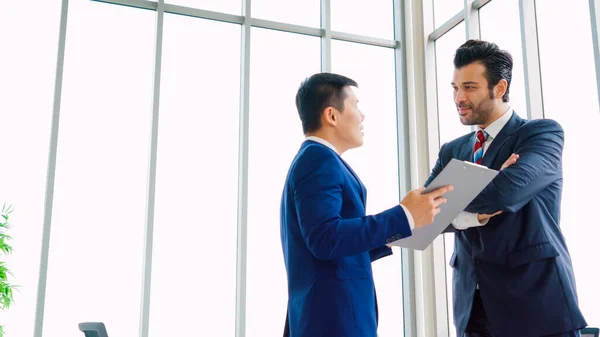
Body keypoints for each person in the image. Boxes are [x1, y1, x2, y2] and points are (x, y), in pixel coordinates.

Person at [426, 39, 587, 337]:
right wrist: (488, 188)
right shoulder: (452, 150)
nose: (458, 97)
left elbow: (506, 193)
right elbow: (428, 216)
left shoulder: (540, 134)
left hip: (535, 303)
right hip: (472, 309)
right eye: (454, 87)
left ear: (499, 88)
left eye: (470, 87)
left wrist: (467, 195)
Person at [280, 72, 452, 337]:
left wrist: (401, 228)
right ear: (331, 115)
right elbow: (325, 239)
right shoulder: (318, 160)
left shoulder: (317, 159)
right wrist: (402, 216)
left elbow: (332, 245)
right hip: (334, 321)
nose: (362, 116)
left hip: (330, 318)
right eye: (356, 105)